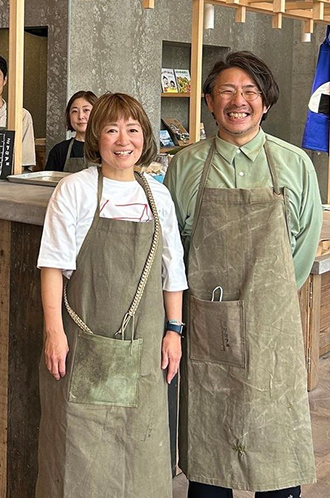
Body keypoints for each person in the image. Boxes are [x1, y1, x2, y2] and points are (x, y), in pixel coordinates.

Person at [164, 51, 322, 498]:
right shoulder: (186, 165)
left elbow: (304, 243)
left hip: (272, 323)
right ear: (210, 102)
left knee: (273, 442)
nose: (239, 101)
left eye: (250, 91)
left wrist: (265, 295)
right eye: (227, 91)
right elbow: (175, 248)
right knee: (210, 454)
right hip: (206, 324)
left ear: (265, 102)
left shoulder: (295, 164)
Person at [36, 93, 187, 498]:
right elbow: (52, 265)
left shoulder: (159, 196)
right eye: (112, 129)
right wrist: (54, 333)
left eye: (133, 129)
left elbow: (173, 271)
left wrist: (174, 329)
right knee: (78, 450)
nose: (124, 140)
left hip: (145, 347)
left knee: (141, 448)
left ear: (145, 138)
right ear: (97, 138)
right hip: (83, 344)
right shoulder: (75, 190)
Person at [45, 90, 97, 172]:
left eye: (86, 110)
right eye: (75, 111)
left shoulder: (106, 148)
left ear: (97, 113)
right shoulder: (59, 151)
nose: (80, 116)